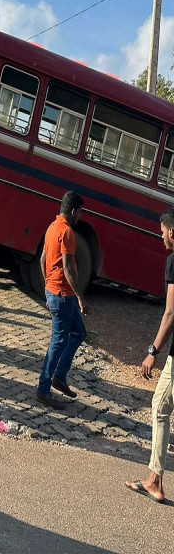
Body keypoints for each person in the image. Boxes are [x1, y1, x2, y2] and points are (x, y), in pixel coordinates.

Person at [125, 206, 174, 503]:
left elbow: (171, 312)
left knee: (159, 407)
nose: (162, 239)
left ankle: (155, 480)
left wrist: (152, 351)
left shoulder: (173, 261)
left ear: (173, 231)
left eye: (163, 233)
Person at [36, 190, 89, 410]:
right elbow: (68, 268)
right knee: (58, 342)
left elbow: (42, 260)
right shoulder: (66, 232)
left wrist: (47, 284)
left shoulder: (51, 228)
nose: (80, 217)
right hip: (63, 295)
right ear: (74, 211)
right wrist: (80, 297)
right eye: (80, 213)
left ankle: (59, 377)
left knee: (79, 333)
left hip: (55, 291)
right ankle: (44, 388)